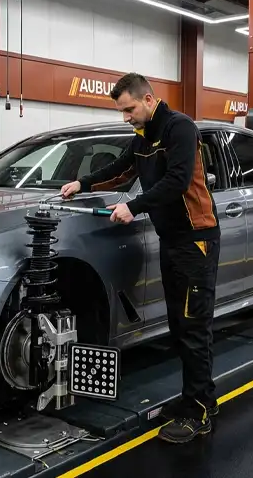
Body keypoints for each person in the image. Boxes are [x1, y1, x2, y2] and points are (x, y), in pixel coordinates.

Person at [60, 72, 221, 444]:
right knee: (180, 327)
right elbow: (120, 168)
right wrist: (82, 183)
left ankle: (198, 413)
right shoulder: (143, 136)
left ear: (149, 99)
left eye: (129, 109)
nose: (126, 117)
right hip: (172, 241)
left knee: (193, 327)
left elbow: (177, 181)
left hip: (195, 242)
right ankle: (200, 398)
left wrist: (133, 207)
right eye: (122, 111)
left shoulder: (180, 128)